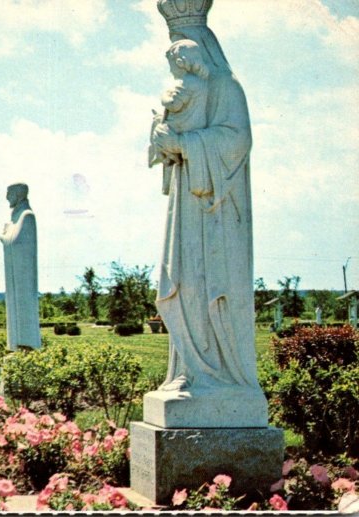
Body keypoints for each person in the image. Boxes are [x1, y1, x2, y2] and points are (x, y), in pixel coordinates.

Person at [149, 20, 263, 399]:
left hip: (214, 208)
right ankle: (188, 369)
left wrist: (184, 144)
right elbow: (174, 144)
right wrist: (163, 142)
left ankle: (218, 375)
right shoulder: (187, 92)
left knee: (205, 281)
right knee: (183, 282)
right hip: (186, 200)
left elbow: (236, 139)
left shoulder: (227, 88)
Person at [150, 39, 209, 194]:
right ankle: (165, 156)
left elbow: (174, 104)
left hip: (182, 127)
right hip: (194, 125)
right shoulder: (202, 83)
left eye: (171, 66)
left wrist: (164, 97)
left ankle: (160, 156)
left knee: (159, 129)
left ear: (180, 62)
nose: (171, 71)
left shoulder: (185, 82)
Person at [0, 183, 41, 350]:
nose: (7, 198)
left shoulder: (27, 216)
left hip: (23, 278)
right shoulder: (16, 218)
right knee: (14, 310)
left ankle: (27, 344)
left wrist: (4, 236)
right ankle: (15, 344)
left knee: (23, 310)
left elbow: (16, 242)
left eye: (9, 194)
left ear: (18, 194)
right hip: (15, 277)